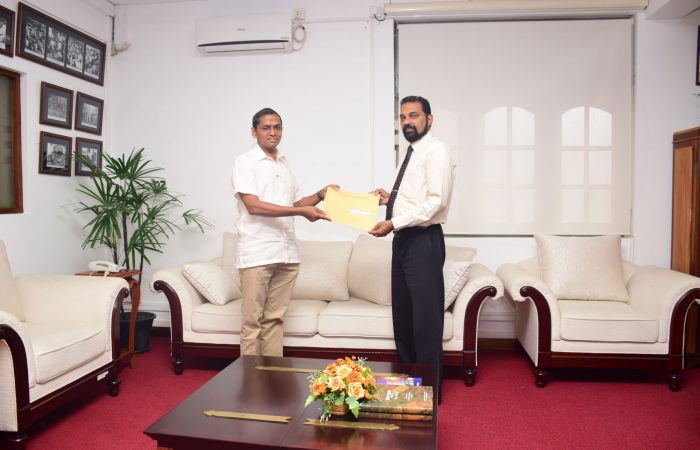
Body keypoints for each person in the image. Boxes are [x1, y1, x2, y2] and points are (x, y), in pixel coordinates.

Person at [369, 96, 456, 402]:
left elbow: (436, 203)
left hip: (423, 241)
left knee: (425, 321)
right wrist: (388, 199)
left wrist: (393, 222)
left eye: (414, 116)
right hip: (403, 240)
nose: (407, 121)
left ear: (429, 120)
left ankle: (429, 392)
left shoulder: (436, 151)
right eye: (403, 117)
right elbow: (412, 198)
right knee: (404, 317)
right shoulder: (410, 152)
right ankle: (410, 387)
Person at [232, 107, 338, 357]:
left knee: (275, 320)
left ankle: (272, 375)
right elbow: (253, 206)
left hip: (287, 253)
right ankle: (251, 378)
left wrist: (321, 195)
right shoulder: (245, 162)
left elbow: (297, 203)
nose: (272, 132)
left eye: (277, 127)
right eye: (266, 128)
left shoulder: (285, 163)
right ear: (254, 132)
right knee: (252, 323)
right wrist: (300, 212)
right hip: (258, 252)